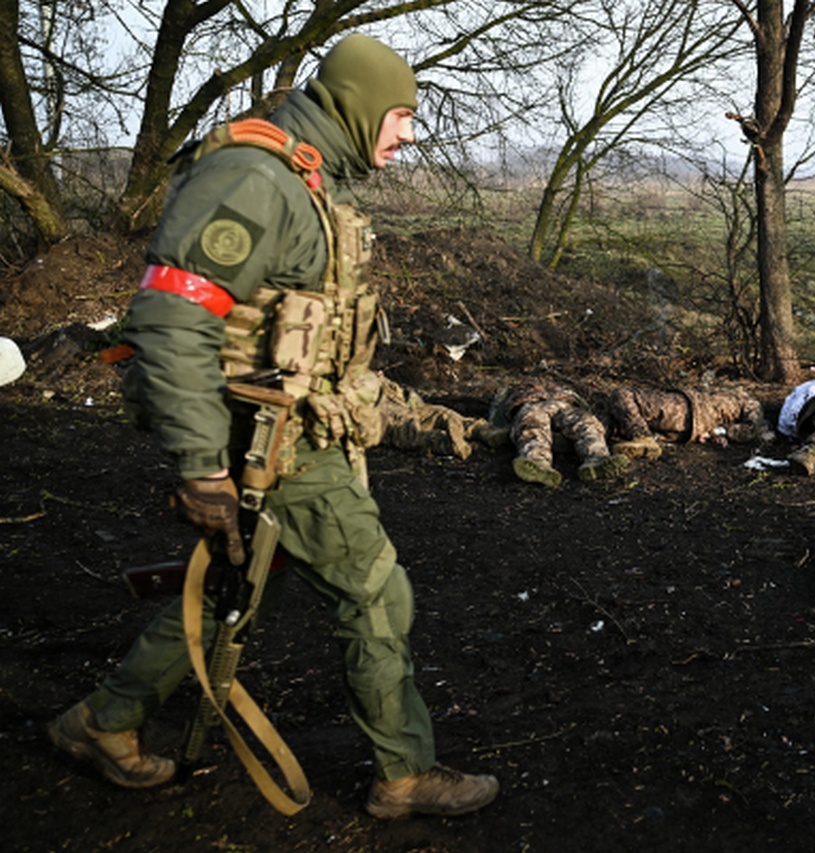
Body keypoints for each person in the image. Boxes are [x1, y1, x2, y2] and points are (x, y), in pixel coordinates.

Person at [47, 34, 499, 819]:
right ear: (358, 108)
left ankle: (104, 720)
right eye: (400, 115)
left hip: (278, 435)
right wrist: (201, 468)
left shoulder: (310, 184)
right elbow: (171, 320)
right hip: (265, 445)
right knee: (374, 591)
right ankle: (403, 774)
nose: (409, 134)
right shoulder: (253, 180)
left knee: (233, 588)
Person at [489, 379, 629, 487]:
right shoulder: (512, 389)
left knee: (586, 422)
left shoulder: (565, 390)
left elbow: (583, 405)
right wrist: (500, 426)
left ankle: (597, 458)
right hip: (530, 404)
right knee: (533, 424)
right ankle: (538, 463)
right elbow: (497, 408)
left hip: (564, 405)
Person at [606, 384, 775, 460]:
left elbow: (751, 429)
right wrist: (715, 432)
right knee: (618, 422)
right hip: (684, 432)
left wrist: (715, 432)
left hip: (684, 409)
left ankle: (642, 437)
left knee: (623, 394)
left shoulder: (751, 403)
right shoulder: (734, 397)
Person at [378, 374, 491, 461]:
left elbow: (399, 394)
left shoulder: (369, 380)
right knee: (436, 421)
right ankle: (477, 432)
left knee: (435, 420)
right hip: (397, 415)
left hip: (401, 413)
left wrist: (384, 381)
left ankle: (465, 439)